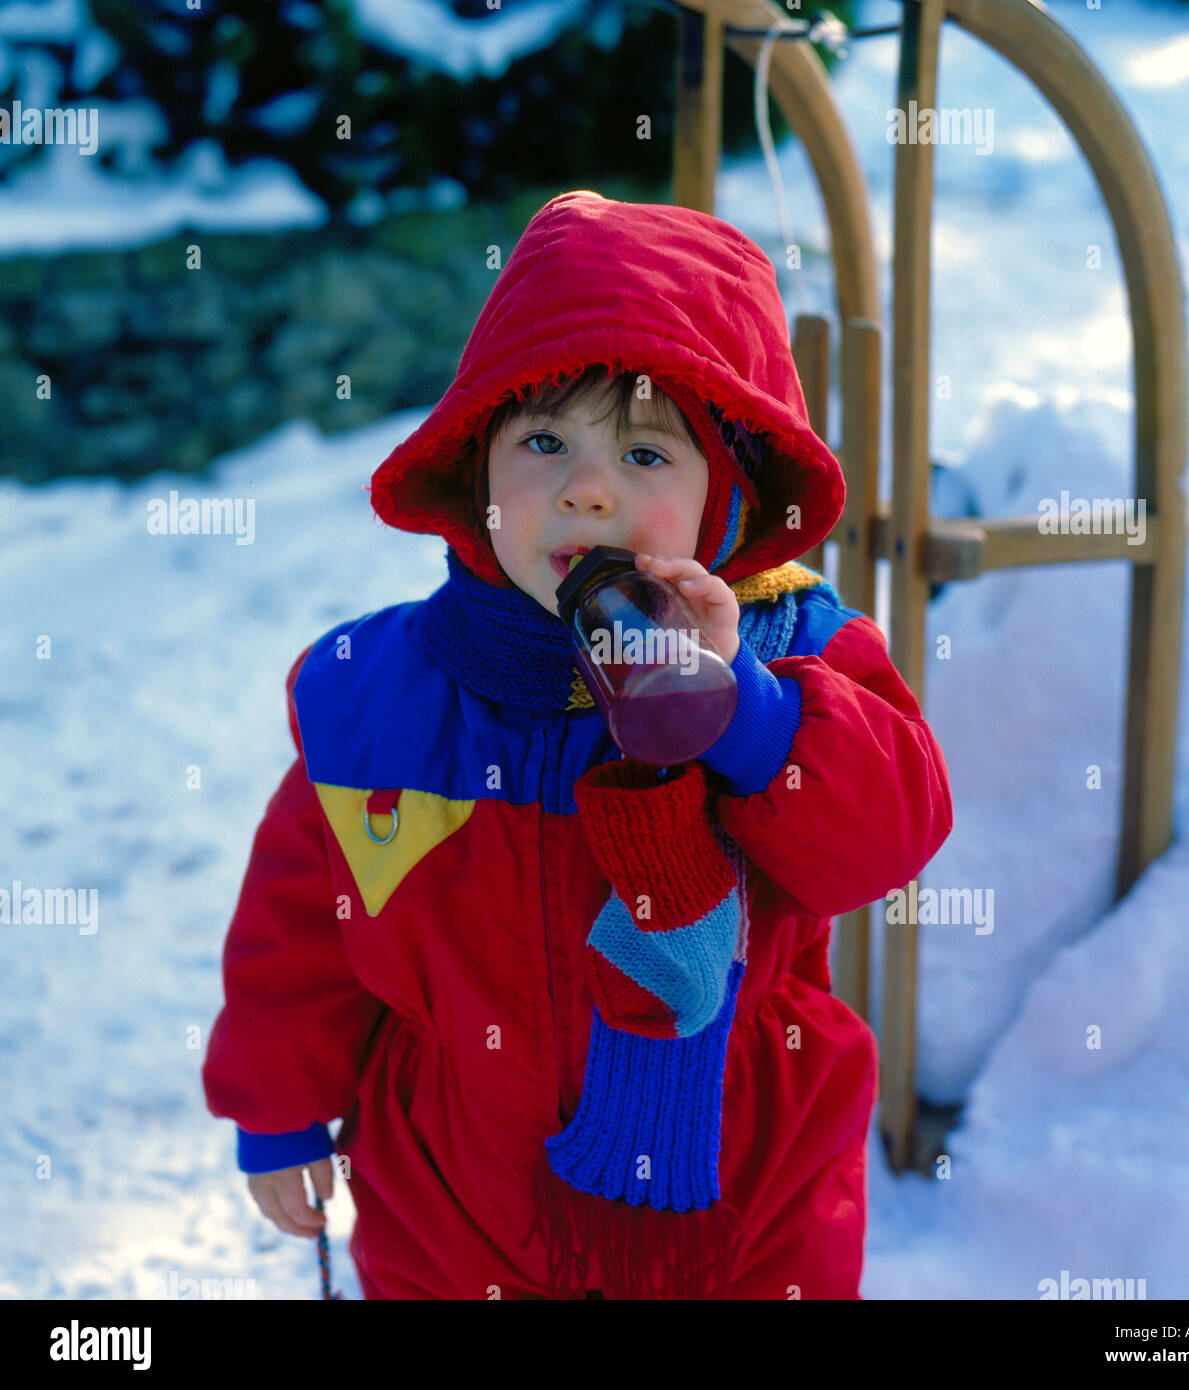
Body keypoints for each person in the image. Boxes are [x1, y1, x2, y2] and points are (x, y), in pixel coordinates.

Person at [202, 189, 953, 1300]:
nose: (586, 487)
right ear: (476, 473)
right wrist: (275, 1105)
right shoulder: (390, 693)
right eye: (544, 441)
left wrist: (744, 715)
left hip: (744, 1176)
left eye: (648, 455)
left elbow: (884, 838)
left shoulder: (795, 651)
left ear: (727, 500)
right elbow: (306, 920)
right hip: (456, 1186)